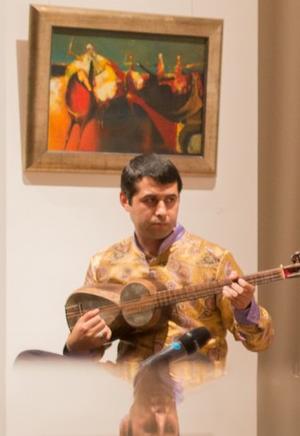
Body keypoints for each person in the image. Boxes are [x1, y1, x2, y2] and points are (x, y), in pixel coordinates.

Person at [64, 153, 275, 365]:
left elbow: (260, 343)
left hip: (198, 384)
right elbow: (88, 356)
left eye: (170, 200)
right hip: (130, 384)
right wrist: (75, 346)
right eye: (150, 200)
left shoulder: (215, 260)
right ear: (125, 200)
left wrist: (245, 308)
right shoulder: (104, 264)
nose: (162, 211)